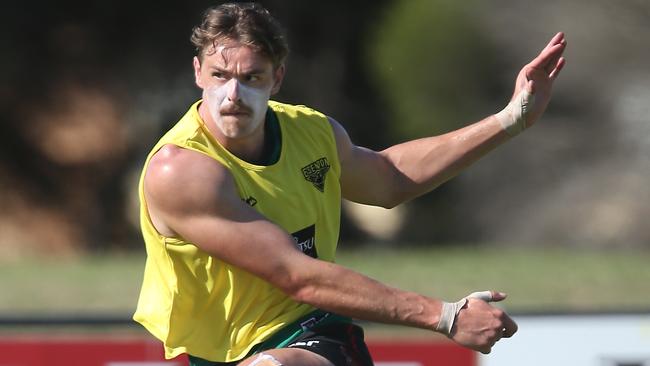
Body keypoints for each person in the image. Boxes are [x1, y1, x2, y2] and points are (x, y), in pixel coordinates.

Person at [133, 2, 567, 366]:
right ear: (197, 73)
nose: (233, 95)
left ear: (277, 78)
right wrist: (446, 316)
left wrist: (511, 119)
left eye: (252, 78)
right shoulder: (181, 170)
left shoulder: (313, 133)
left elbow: (390, 180)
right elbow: (293, 273)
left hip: (310, 331)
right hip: (215, 352)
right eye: (219, 76)